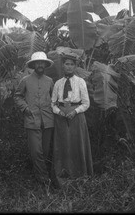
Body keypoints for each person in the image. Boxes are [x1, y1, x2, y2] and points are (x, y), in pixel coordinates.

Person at [14, 51, 57, 187]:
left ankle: (39, 177)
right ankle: (44, 181)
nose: (40, 65)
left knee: (44, 152)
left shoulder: (50, 81)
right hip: (32, 120)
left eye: (42, 63)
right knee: (36, 152)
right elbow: (17, 96)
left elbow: (54, 99)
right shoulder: (25, 80)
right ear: (33, 65)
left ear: (45, 64)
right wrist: (25, 108)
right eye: (37, 63)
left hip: (48, 120)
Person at [51, 52, 93, 181]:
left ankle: (79, 175)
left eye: (71, 64)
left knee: (77, 144)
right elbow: (52, 103)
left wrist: (75, 111)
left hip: (76, 117)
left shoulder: (80, 82)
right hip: (61, 118)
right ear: (63, 66)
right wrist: (60, 112)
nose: (68, 67)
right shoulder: (58, 83)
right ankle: (63, 175)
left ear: (75, 67)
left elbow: (86, 103)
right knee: (62, 145)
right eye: (66, 64)